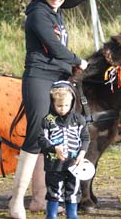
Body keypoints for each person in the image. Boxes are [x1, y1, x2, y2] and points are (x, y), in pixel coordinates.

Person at [9, 0, 89, 219]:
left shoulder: (58, 14)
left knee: (60, 133)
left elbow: (59, 50)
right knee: (36, 134)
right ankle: (16, 200)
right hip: (39, 76)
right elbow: (54, 47)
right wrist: (77, 60)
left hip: (58, 77)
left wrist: (70, 68)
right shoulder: (37, 14)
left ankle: (44, 198)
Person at [38, 81, 90, 219]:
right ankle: (51, 214)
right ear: (52, 103)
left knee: (73, 191)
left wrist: (82, 153)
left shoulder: (79, 119)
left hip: (74, 164)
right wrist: (54, 148)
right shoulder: (47, 120)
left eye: (66, 105)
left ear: (72, 103)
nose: (63, 108)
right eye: (59, 105)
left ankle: (72, 214)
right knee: (53, 191)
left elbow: (85, 138)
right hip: (54, 165)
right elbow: (42, 139)